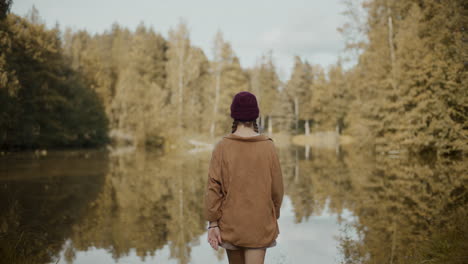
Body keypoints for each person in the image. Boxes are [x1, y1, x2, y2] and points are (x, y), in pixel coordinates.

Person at [204, 91, 284, 264]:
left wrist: (213, 224)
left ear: (234, 114)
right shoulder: (268, 147)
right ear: (256, 115)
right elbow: (277, 190)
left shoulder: (222, 147)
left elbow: (213, 189)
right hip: (259, 224)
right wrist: (273, 215)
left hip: (231, 225)